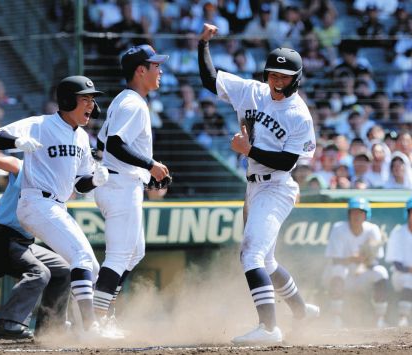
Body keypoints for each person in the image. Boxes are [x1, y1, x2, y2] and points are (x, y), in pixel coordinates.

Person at [198, 23, 319, 345]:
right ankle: (303, 310)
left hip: (277, 186)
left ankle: (269, 328)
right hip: (254, 187)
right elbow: (211, 80)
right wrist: (203, 44)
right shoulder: (253, 91)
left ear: (297, 78)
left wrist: (247, 150)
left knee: (250, 255)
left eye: (284, 77)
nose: (277, 82)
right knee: (266, 261)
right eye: (273, 75)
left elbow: (287, 162)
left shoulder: (298, 114)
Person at [0, 75, 110, 337]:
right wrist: (17, 143)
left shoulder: (81, 139)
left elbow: (79, 185)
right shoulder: (41, 124)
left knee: (92, 266)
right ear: (67, 101)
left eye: (92, 100)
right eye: (85, 99)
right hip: (35, 201)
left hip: (56, 206)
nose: (91, 105)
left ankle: (79, 329)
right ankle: (90, 328)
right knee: (80, 257)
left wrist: (94, 180)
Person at [93, 45, 170, 326]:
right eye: (155, 65)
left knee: (134, 252)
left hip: (120, 181)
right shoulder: (132, 103)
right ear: (141, 70)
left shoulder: (125, 100)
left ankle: (103, 313)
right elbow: (114, 143)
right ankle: (95, 320)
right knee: (119, 255)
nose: (160, 70)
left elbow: (102, 142)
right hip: (119, 185)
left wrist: (143, 168)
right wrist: (149, 165)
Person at [0, 146, 70, 340]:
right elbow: (13, 164)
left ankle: (50, 329)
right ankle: (8, 324)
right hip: (1, 238)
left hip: (24, 243)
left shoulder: (56, 182)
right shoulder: (29, 168)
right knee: (39, 273)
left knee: (64, 270)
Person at [322, 197, 389, 329]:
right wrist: (353, 258)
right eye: (353, 212)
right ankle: (336, 318)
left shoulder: (372, 229)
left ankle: (380, 319)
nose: (357, 216)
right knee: (338, 269)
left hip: (362, 274)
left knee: (381, 272)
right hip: (342, 276)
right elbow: (335, 260)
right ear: (349, 214)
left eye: (360, 212)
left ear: (366, 215)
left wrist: (365, 259)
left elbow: (375, 260)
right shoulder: (339, 228)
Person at [385, 197, 412, 327]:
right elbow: (397, 264)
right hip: (401, 275)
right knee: (409, 279)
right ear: (407, 214)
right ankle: (403, 318)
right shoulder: (398, 232)